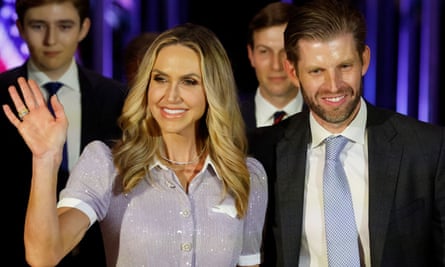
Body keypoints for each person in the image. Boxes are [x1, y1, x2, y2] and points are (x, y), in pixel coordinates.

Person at [3, 23, 268, 266]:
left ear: (213, 90)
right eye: (160, 79)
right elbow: (43, 255)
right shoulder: (107, 165)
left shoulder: (246, 175)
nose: (170, 96)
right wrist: (45, 159)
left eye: (189, 81)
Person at [248, 0, 445, 266]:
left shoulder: (428, 149)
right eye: (316, 71)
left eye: (344, 66)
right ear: (293, 72)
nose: (333, 86)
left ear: (364, 60)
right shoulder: (262, 152)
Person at [0, 0, 128, 266]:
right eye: (38, 26)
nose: (51, 39)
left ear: (84, 28)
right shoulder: (0, 95)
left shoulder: (117, 98)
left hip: (97, 255)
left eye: (64, 26)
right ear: (20, 29)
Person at [240, 2, 303, 131]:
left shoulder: (323, 117)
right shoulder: (227, 121)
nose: (276, 66)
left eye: (285, 52)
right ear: (251, 55)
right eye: (264, 51)